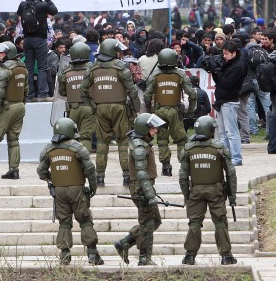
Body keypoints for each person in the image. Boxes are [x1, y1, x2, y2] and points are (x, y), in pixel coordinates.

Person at [36, 117, 103, 266]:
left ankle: (65, 256)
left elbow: (40, 171)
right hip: (77, 189)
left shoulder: (49, 149)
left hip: (59, 190)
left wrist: (52, 178)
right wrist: (93, 187)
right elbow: (90, 170)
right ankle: (92, 254)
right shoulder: (78, 148)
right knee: (85, 220)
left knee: (64, 223)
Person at [179, 116, 238, 266]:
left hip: (196, 191)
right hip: (216, 191)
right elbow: (230, 173)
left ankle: (189, 256)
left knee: (194, 223)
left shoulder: (188, 149)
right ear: (211, 130)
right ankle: (226, 256)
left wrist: (187, 195)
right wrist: (232, 196)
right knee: (220, 223)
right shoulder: (219, 148)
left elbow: (183, 176)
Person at [81, 38, 140, 186]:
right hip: (119, 108)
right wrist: (136, 108)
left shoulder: (93, 69)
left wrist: (93, 105)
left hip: (100, 108)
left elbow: (83, 90)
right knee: (123, 141)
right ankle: (127, 176)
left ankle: (100, 176)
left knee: (102, 142)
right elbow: (132, 91)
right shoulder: (121, 68)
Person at [114, 113, 166, 266]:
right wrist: (150, 195)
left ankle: (125, 243)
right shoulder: (139, 146)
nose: (155, 131)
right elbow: (142, 174)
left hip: (145, 188)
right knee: (148, 224)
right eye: (153, 128)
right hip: (141, 190)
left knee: (155, 221)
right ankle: (144, 258)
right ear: (145, 129)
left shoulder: (143, 143)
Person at [144, 48, 196, 176]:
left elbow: (147, 96)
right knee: (181, 139)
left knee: (162, 140)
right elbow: (193, 94)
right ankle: (184, 167)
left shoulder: (155, 75)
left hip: (159, 110)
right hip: (175, 110)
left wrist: (151, 111)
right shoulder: (180, 74)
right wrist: (190, 111)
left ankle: (166, 167)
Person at [0, 41, 28, 179]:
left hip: (7, 107)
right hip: (20, 106)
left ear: (9, 53)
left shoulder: (5, 69)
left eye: (2, 52)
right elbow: (26, 90)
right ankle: (14, 170)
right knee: (14, 140)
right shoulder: (22, 68)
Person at [17, 0, 58, 102]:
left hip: (27, 39)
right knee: (42, 66)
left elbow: (20, 14)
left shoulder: (23, 5)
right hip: (40, 39)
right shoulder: (42, 5)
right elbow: (54, 10)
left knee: (28, 67)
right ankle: (42, 94)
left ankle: (29, 94)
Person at [212, 40, 247, 166]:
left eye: (227, 54)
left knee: (231, 132)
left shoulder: (238, 66)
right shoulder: (229, 64)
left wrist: (218, 71)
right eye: (223, 54)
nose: (224, 56)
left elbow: (227, 84)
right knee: (222, 133)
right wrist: (215, 71)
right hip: (222, 100)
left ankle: (236, 158)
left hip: (230, 101)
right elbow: (220, 82)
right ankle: (225, 156)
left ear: (234, 53)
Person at [57, 42, 94, 152]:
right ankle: (85, 162)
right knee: (85, 136)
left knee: (71, 136)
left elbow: (62, 92)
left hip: (73, 108)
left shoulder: (65, 71)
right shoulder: (92, 69)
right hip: (89, 107)